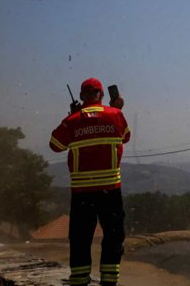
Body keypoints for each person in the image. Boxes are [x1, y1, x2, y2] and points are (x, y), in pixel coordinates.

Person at [50, 78, 131, 286]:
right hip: (110, 191)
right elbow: (125, 136)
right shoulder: (115, 115)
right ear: (102, 95)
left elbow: (55, 145)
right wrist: (116, 109)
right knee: (113, 237)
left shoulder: (73, 120)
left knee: (80, 239)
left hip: (81, 194)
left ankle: (79, 281)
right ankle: (109, 282)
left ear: (81, 96)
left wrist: (72, 116)